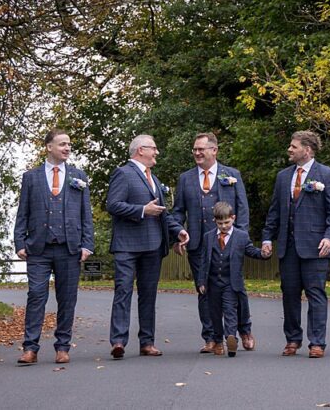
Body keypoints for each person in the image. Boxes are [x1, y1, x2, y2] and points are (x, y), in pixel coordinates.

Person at [13, 128, 94, 365]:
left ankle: (62, 347)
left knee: (67, 298)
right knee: (36, 295)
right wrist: (20, 242)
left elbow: (85, 214)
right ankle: (30, 347)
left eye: (69, 144)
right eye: (62, 144)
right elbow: (23, 212)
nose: (67, 148)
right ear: (49, 147)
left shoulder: (79, 176)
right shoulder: (31, 177)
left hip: (69, 247)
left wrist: (87, 244)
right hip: (38, 247)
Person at [172, 133, 256, 352]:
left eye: (201, 149)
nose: (197, 153)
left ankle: (244, 329)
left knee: (236, 288)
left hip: (230, 242)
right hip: (199, 244)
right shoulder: (186, 178)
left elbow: (242, 208)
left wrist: (241, 237)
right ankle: (211, 337)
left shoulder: (232, 175)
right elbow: (178, 211)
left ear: (214, 150)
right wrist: (178, 233)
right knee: (204, 290)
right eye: (195, 150)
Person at [106, 134, 188, 359]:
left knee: (149, 294)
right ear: (140, 150)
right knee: (123, 291)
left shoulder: (154, 178)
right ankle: (119, 341)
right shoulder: (123, 173)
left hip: (153, 245)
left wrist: (178, 231)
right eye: (154, 148)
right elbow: (113, 205)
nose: (157, 153)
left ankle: (147, 342)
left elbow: (163, 212)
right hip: (127, 245)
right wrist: (142, 210)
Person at [261, 130, 330, 358]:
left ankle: (317, 342)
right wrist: (267, 237)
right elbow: (274, 211)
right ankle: (292, 339)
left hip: (316, 246)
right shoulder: (283, 177)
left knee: (316, 294)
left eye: (293, 146)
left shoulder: (326, 175)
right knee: (289, 294)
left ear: (307, 150)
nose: (289, 149)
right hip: (288, 247)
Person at [195, 201, 267, 357]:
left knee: (230, 311)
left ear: (233, 218)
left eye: (226, 222)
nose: (223, 226)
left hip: (231, 283)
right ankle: (218, 342)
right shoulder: (208, 237)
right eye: (220, 223)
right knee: (214, 313)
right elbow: (203, 261)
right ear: (215, 221)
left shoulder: (241, 236)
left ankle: (231, 338)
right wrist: (201, 281)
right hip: (212, 282)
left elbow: (251, 251)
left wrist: (263, 253)